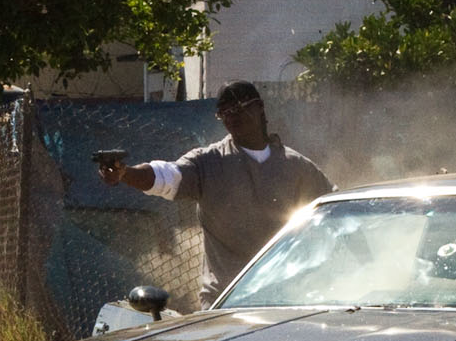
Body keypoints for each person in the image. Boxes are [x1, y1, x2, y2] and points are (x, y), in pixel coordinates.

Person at [97, 80, 333, 306]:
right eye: (224, 112)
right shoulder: (208, 163)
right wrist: (125, 173)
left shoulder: (297, 166)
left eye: (238, 107)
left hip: (286, 298)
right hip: (225, 301)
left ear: (259, 107)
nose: (232, 116)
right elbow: (166, 176)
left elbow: (335, 212)